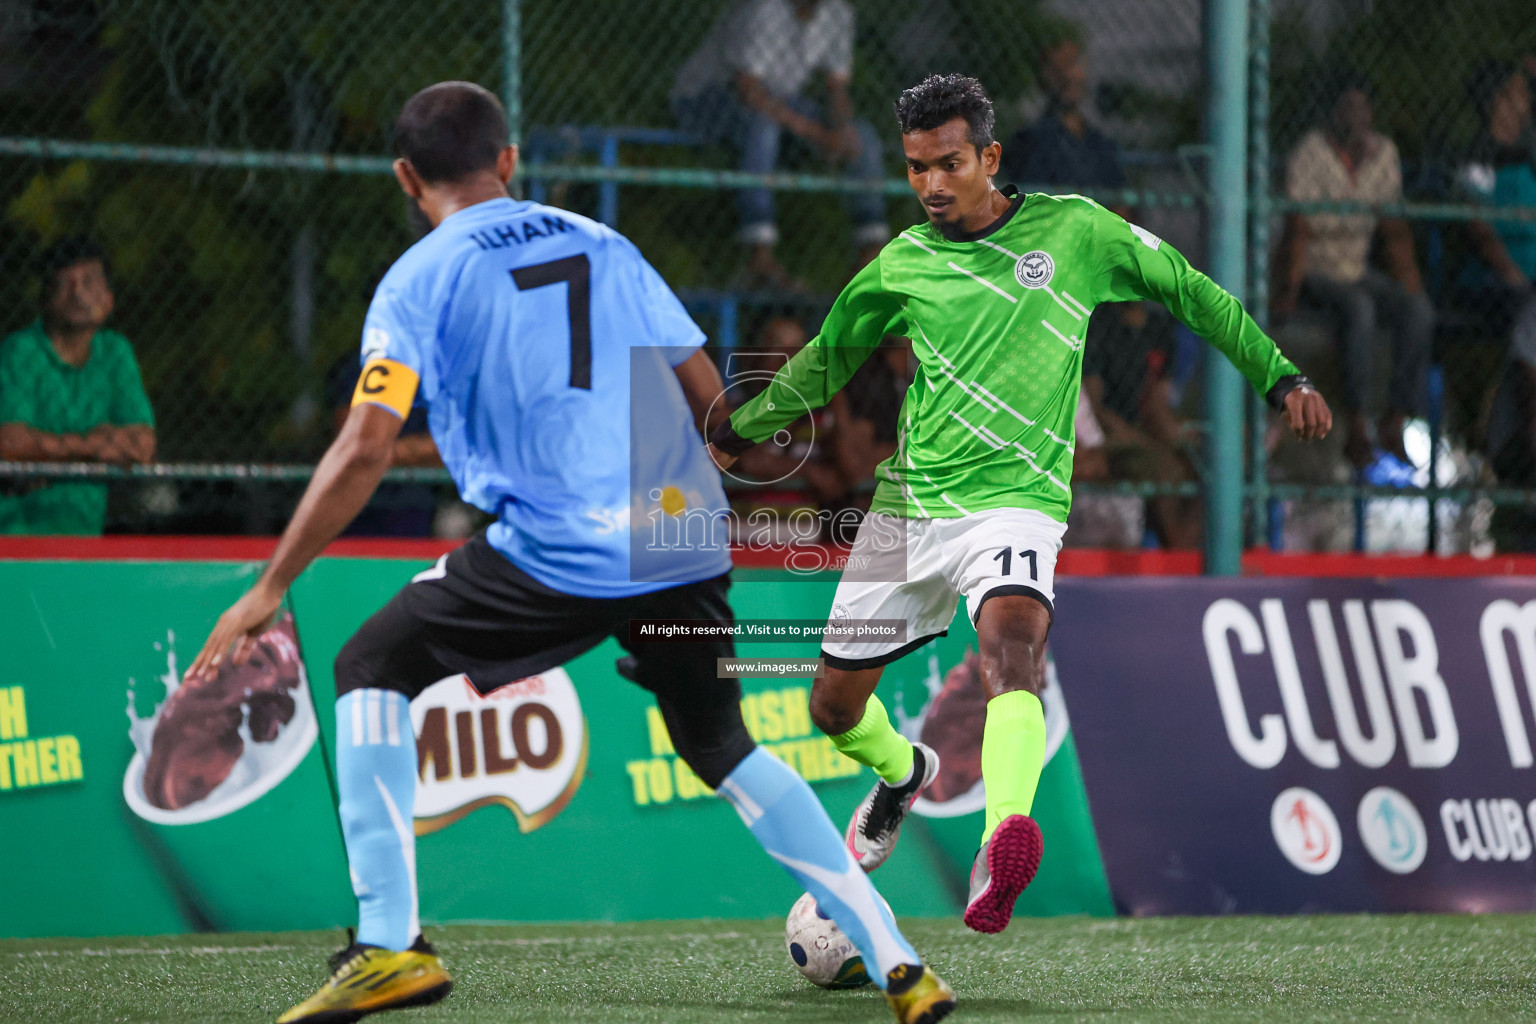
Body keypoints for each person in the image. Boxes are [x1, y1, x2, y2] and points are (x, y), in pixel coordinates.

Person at [186, 82, 953, 1024]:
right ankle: (900, 963)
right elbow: (712, 395)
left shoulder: (418, 279)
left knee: (369, 663)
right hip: (676, 531)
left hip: (556, 545)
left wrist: (271, 584)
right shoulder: (601, 240)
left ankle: (390, 946)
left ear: (403, 178)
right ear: (507, 162)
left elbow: (366, 444)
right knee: (723, 745)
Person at [707, 74, 1332, 934]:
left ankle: (1003, 840)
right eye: (917, 168)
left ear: (990, 158)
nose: (931, 185)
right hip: (911, 507)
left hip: (1017, 502)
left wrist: (1280, 373)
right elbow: (825, 361)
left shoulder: (1074, 231)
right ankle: (903, 772)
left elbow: (1189, 288)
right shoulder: (903, 264)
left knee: (1012, 649)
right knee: (833, 709)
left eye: (950, 165)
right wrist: (743, 430)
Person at [1273, 73, 1433, 468]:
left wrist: (1410, 284)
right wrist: (1287, 292)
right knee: (1358, 309)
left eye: (1364, 109)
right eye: (1349, 108)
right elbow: (1297, 230)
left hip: (1357, 267)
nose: (1356, 118)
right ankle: (1358, 423)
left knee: (1418, 311)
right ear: (1333, 112)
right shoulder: (1309, 153)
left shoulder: (1383, 154)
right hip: (1317, 268)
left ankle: (1394, 419)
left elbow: (1394, 228)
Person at [670, 0, 890, 287]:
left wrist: (840, 129)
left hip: (777, 101)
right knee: (763, 127)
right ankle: (758, 252)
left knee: (863, 136)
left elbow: (835, 87)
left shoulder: (838, 13)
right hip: (706, 98)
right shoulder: (764, 8)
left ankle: (870, 253)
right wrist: (817, 134)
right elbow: (748, 90)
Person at [0, 236, 155, 534]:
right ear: (45, 297)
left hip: (82, 536)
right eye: (65, 283)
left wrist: (47, 453)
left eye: (90, 281)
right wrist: (96, 445)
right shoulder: (19, 351)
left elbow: (142, 444)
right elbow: (9, 443)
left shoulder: (115, 352)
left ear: (109, 298)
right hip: (13, 536)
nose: (79, 293)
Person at [323, 349, 441, 537]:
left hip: (412, 500)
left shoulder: (439, 371)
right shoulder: (363, 363)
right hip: (356, 495)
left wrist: (383, 452)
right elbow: (350, 439)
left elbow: (441, 449)